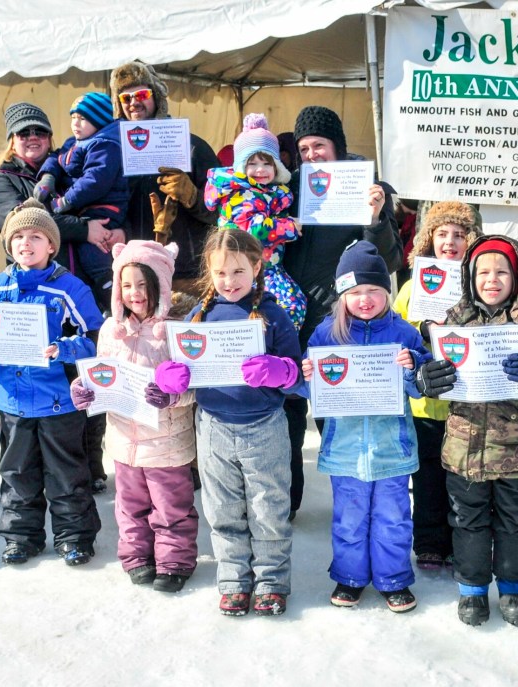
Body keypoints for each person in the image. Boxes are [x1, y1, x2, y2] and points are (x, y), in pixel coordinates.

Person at [415, 235, 518, 628]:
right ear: (470, 276)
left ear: (517, 277)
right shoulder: (453, 321)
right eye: (483, 271)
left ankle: (514, 586)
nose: (492, 279)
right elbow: (429, 373)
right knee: (468, 521)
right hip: (464, 449)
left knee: (516, 523)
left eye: (502, 271)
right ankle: (473, 589)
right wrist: (425, 378)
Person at [0, 199, 103, 566]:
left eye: (36, 236)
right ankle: (22, 535)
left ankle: (74, 536)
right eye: (18, 236)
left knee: (66, 474)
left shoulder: (70, 287)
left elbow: (97, 339)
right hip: (13, 401)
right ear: (8, 244)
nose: (26, 243)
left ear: (51, 244)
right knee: (17, 472)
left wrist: (64, 349)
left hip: (59, 402)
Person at [0, 101, 119, 494]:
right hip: (29, 296)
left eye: (40, 131)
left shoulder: (65, 165)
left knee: (84, 374)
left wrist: (107, 230)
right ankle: (36, 475)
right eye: (24, 133)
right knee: (39, 383)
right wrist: (84, 227)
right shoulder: (1, 181)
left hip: (77, 287)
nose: (32, 139)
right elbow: (17, 220)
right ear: (11, 140)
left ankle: (87, 463)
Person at [283, 105, 403, 518]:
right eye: (304, 148)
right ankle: (287, 503)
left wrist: (375, 219)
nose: (313, 154)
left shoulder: (363, 185)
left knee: (336, 412)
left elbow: (387, 260)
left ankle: (352, 502)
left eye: (320, 145)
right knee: (287, 409)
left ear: (337, 145)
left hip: (335, 315)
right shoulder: (289, 187)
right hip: (289, 312)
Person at [302, 240, 430, 613]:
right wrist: (306, 374)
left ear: (387, 291)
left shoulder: (404, 333)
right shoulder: (327, 334)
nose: (365, 298)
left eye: (374, 289)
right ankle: (350, 577)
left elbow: (419, 386)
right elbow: (308, 388)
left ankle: (394, 579)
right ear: (342, 294)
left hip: (393, 445)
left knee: (393, 516)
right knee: (349, 517)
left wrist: (413, 368)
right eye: (355, 291)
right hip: (345, 447)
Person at [180, 228, 301, 616]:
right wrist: (172, 376)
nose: (229, 282)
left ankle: (271, 580)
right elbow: (180, 363)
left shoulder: (274, 314)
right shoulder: (199, 315)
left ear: (256, 265)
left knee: (268, 509)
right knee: (222, 509)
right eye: (220, 274)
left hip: (264, 426)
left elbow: (298, 377)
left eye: (237, 272)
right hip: (213, 426)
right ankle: (233, 578)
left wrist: (279, 370)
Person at [69, 240, 198, 593]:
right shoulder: (111, 329)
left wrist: (172, 395)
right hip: (123, 441)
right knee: (129, 505)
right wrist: (84, 388)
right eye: (127, 285)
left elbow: (194, 386)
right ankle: (137, 555)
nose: (135, 293)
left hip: (166, 443)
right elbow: (100, 374)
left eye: (144, 284)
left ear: (161, 285)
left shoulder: (176, 331)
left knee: (171, 507)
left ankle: (174, 560)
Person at [391, 201, 482, 570]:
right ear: (429, 239)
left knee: (462, 478)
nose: (450, 242)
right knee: (427, 477)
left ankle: (464, 542)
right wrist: (421, 331)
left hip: (468, 402)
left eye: (459, 234)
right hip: (425, 405)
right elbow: (395, 332)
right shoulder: (413, 287)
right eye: (442, 234)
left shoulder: (480, 282)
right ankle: (429, 541)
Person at [109, 60, 219, 294]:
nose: (134, 102)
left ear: (156, 97)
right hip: (137, 275)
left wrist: (194, 197)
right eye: (125, 98)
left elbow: (223, 214)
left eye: (141, 94)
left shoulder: (192, 147)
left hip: (188, 275)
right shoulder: (112, 153)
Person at [204, 112, 305, 330]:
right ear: (241, 167)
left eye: (267, 163)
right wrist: (289, 228)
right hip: (244, 268)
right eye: (252, 162)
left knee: (289, 308)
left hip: (266, 267)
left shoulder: (266, 191)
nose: (260, 169)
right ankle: (270, 347)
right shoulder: (240, 194)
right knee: (286, 308)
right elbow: (253, 228)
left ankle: (275, 348)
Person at [34, 92, 128, 310]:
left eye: (82, 118)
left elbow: (95, 181)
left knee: (93, 255)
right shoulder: (76, 142)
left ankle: (111, 298)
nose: (75, 123)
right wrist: (48, 176)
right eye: (73, 117)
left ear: (99, 120)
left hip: (104, 209)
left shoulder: (107, 145)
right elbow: (56, 158)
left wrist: (65, 201)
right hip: (83, 210)